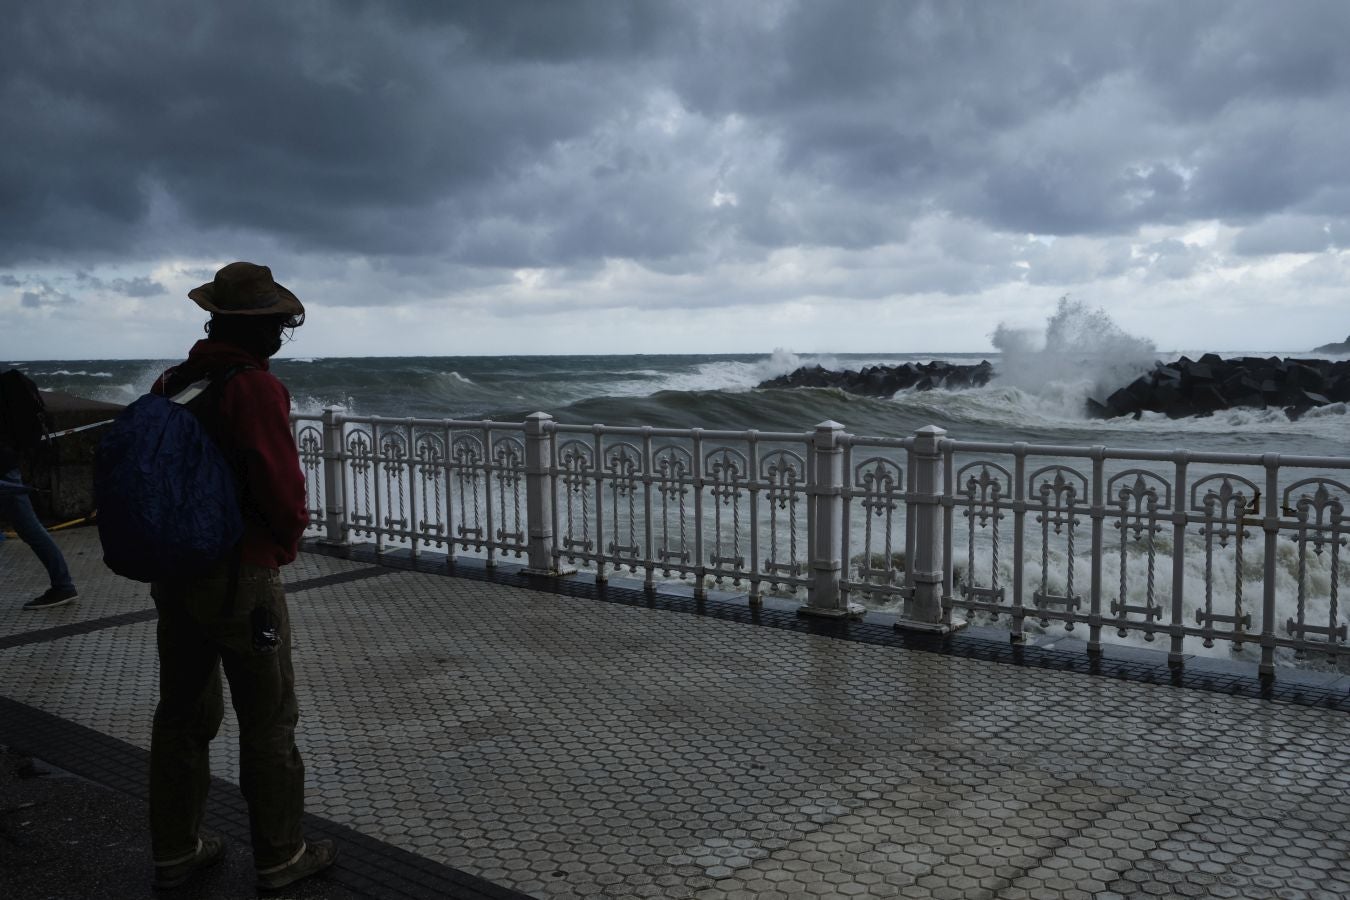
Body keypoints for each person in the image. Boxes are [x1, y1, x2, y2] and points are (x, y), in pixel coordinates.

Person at [146, 261, 336, 892]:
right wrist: (283, 542)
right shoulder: (252, 387)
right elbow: (279, 483)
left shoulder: (174, 380)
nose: (281, 338)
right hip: (241, 575)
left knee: (180, 716)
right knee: (268, 718)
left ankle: (177, 849)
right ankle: (281, 855)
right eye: (278, 327)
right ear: (257, 328)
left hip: (176, 572)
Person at [0, 381, 79, 611]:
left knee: (31, 529)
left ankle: (63, 585)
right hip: (7, 465)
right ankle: (62, 585)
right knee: (30, 529)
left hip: (3, 469)